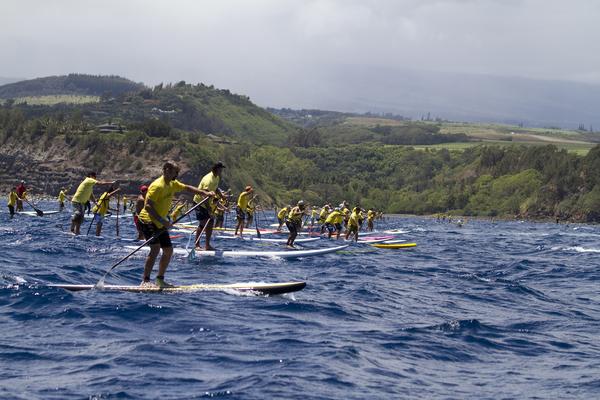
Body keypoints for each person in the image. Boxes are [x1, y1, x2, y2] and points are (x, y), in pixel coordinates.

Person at [138, 161, 214, 287]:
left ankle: (159, 280)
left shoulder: (172, 184)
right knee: (155, 249)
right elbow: (148, 207)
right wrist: (163, 221)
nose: (177, 175)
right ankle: (145, 281)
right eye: (175, 172)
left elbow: (188, 188)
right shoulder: (157, 186)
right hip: (148, 220)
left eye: (177, 172)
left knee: (168, 251)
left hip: (160, 221)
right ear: (166, 170)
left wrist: (204, 193)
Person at [193, 161, 225, 250]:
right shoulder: (208, 180)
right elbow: (204, 196)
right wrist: (209, 210)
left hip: (208, 202)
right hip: (200, 202)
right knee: (203, 223)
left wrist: (221, 195)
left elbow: (216, 188)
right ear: (216, 169)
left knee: (210, 223)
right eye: (221, 168)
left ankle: (207, 245)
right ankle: (196, 245)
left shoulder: (217, 177)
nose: (222, 170)